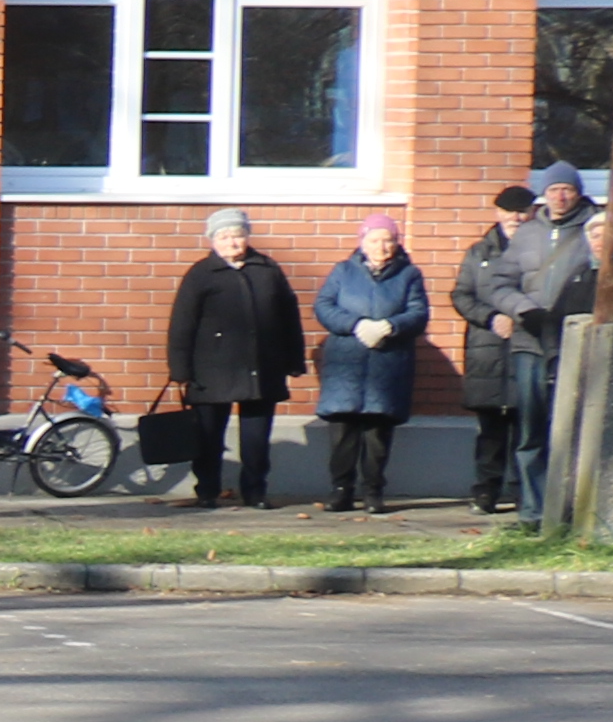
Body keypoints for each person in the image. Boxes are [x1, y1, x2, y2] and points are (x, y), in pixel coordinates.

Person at [162, 208, 305, 507]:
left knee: (255, 439)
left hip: (261, 368)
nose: (231, 242)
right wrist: (180, 368)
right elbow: (182, 323)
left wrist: (294, 359)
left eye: (237, 235)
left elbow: (289, 317)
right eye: (223, 236)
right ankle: (207, 490)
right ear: (212, 241)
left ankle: (255, 492)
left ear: (247, 237)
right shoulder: (201, 274)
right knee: (208, 437)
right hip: (210, 371)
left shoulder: (267, 269)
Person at [460, 177, 581, 519]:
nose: (514, 217)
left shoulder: (541, 246)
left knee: (529, 423)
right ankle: (485, 491)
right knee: (491, 428)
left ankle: (523, 493)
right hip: (490, 349)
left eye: (521, 211)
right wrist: (490, 316)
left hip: (532, 342)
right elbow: (462, 295)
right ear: (497, 213)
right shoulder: (479, 251)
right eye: (507, 211)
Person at [311, 209, 430, 514]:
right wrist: (355, 325)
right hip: (346, 365)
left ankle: (373, 492)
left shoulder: (409, 274)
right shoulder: (343, 271)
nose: (382, 246)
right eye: (375, 240)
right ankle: (341, 491)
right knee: (343, 434)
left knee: (377, 435)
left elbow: (418, 313)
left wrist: (390, 326)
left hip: (387, 365)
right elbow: (323, 306)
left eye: (388, 240)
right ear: (362, 242)